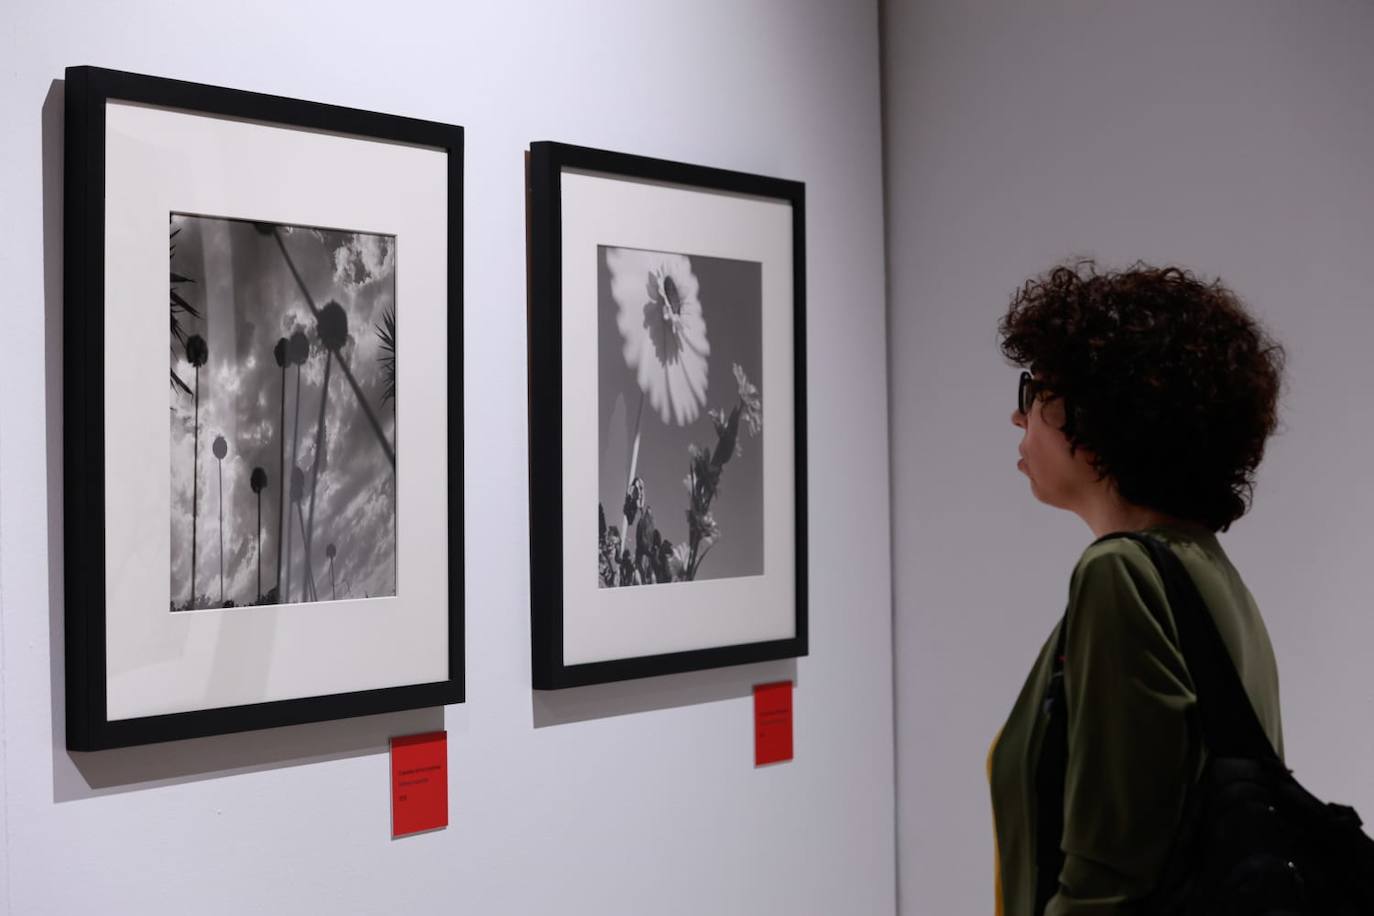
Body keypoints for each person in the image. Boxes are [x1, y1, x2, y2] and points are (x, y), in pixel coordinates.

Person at [989, 261, 1287, 915]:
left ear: (1095, 421)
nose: (1020, 419)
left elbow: (1109, 878)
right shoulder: (1204, 570)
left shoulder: (1120, 573)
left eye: (1033, 391)